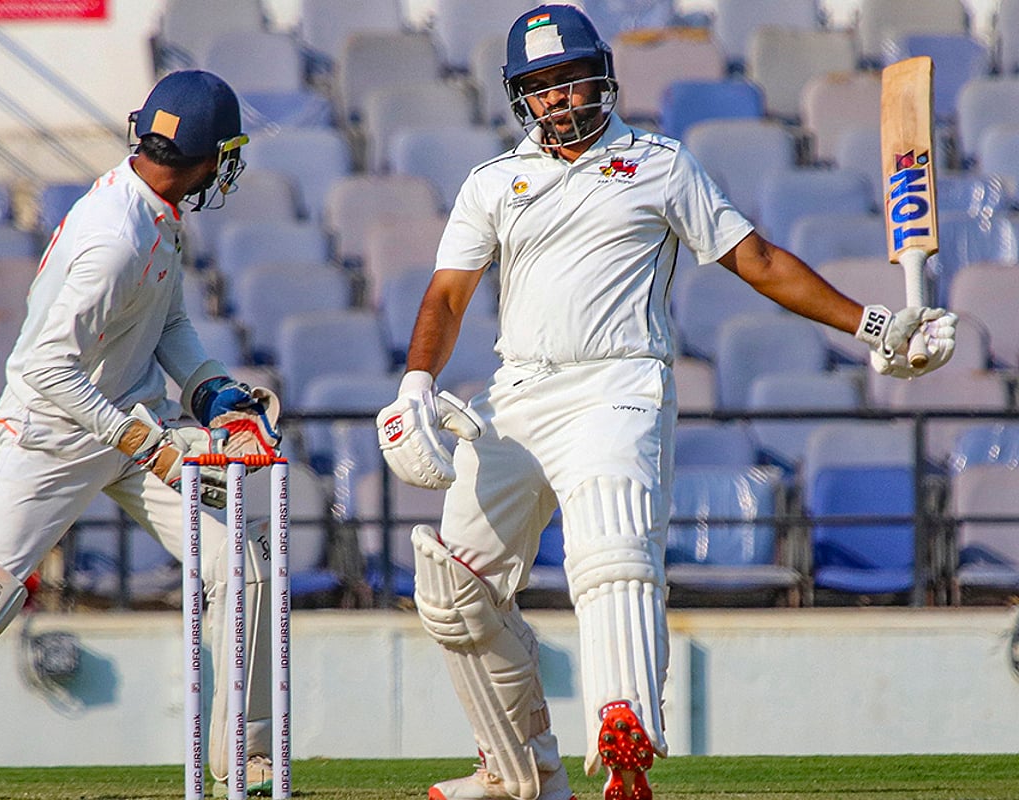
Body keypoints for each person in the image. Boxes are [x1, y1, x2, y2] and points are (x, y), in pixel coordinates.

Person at [374, 6, 958, 800]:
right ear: (521, 97)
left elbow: (754, 257)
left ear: (600, 75)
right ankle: (519, 773)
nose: (558, 98)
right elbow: (447, 296)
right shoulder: (492, 183)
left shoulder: (658, 162)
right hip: (517, 394)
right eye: (539, 87)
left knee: (611, 549)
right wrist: (416, 384)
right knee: (452, 587)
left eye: (568, 78)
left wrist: (875, 325)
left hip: (618, 385)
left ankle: (625, 741)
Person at [0, 70, 283, 800]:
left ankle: (247, 762)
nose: (226, 168)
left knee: (244, 566)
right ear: (201, 157)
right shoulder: (115, 238)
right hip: (55, 436)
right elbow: (40, 369)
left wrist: (213, 392)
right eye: (224, 154)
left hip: (129, 421)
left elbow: (167, 323)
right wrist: (150, 447)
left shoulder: (156, 210)